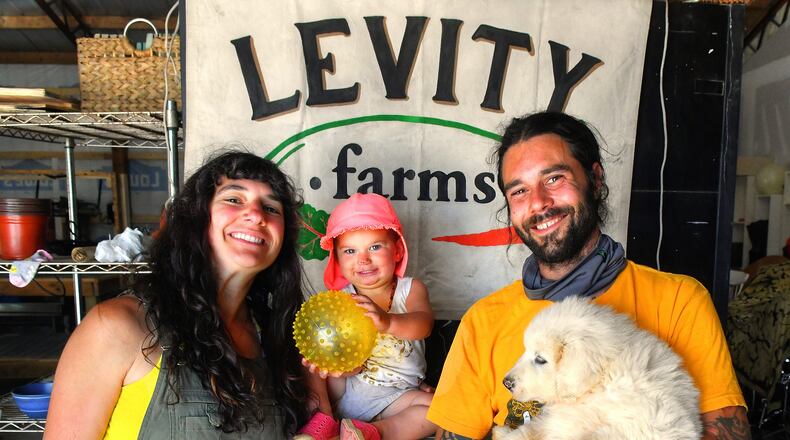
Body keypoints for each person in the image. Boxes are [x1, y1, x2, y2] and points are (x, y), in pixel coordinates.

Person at [426, 111, 749, 440]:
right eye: (519, 191)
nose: (538, 203)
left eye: (553, 179)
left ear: (595, 179)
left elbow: (726, 433)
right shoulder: (482, 321)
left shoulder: (680, 300)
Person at [45, 151, 312, 439]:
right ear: (196, 217)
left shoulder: (275, 338)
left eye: (271, 208)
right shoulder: (116, 326)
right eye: (234, 199)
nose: (256, 215)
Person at [297, 193, 437, 440]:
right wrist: (339, 366)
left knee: (441, 409)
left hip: (398, 396)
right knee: (311, 362)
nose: (363, 259)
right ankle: (323, 419)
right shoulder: (339, 301)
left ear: (396, 250)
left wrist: (389, 322)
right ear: (337, 261)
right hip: (346, 392)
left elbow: (424, 325)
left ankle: (371, 433)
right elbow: (347, 364)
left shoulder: (410, 289)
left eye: (375, 247)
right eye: (350, 250)